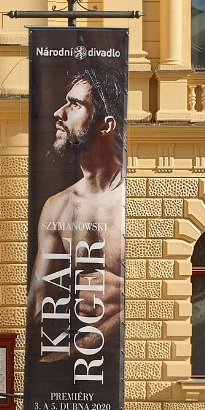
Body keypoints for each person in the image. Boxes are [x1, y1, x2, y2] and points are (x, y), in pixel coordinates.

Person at [25, 60, 126, 376]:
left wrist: (74, 350)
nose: (58, 113)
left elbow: (147, 301)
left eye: (74, 104)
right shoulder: (57, 207)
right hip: (69, 367)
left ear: (105, 125)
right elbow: (38, 304)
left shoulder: (134, 202)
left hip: (122, 369)